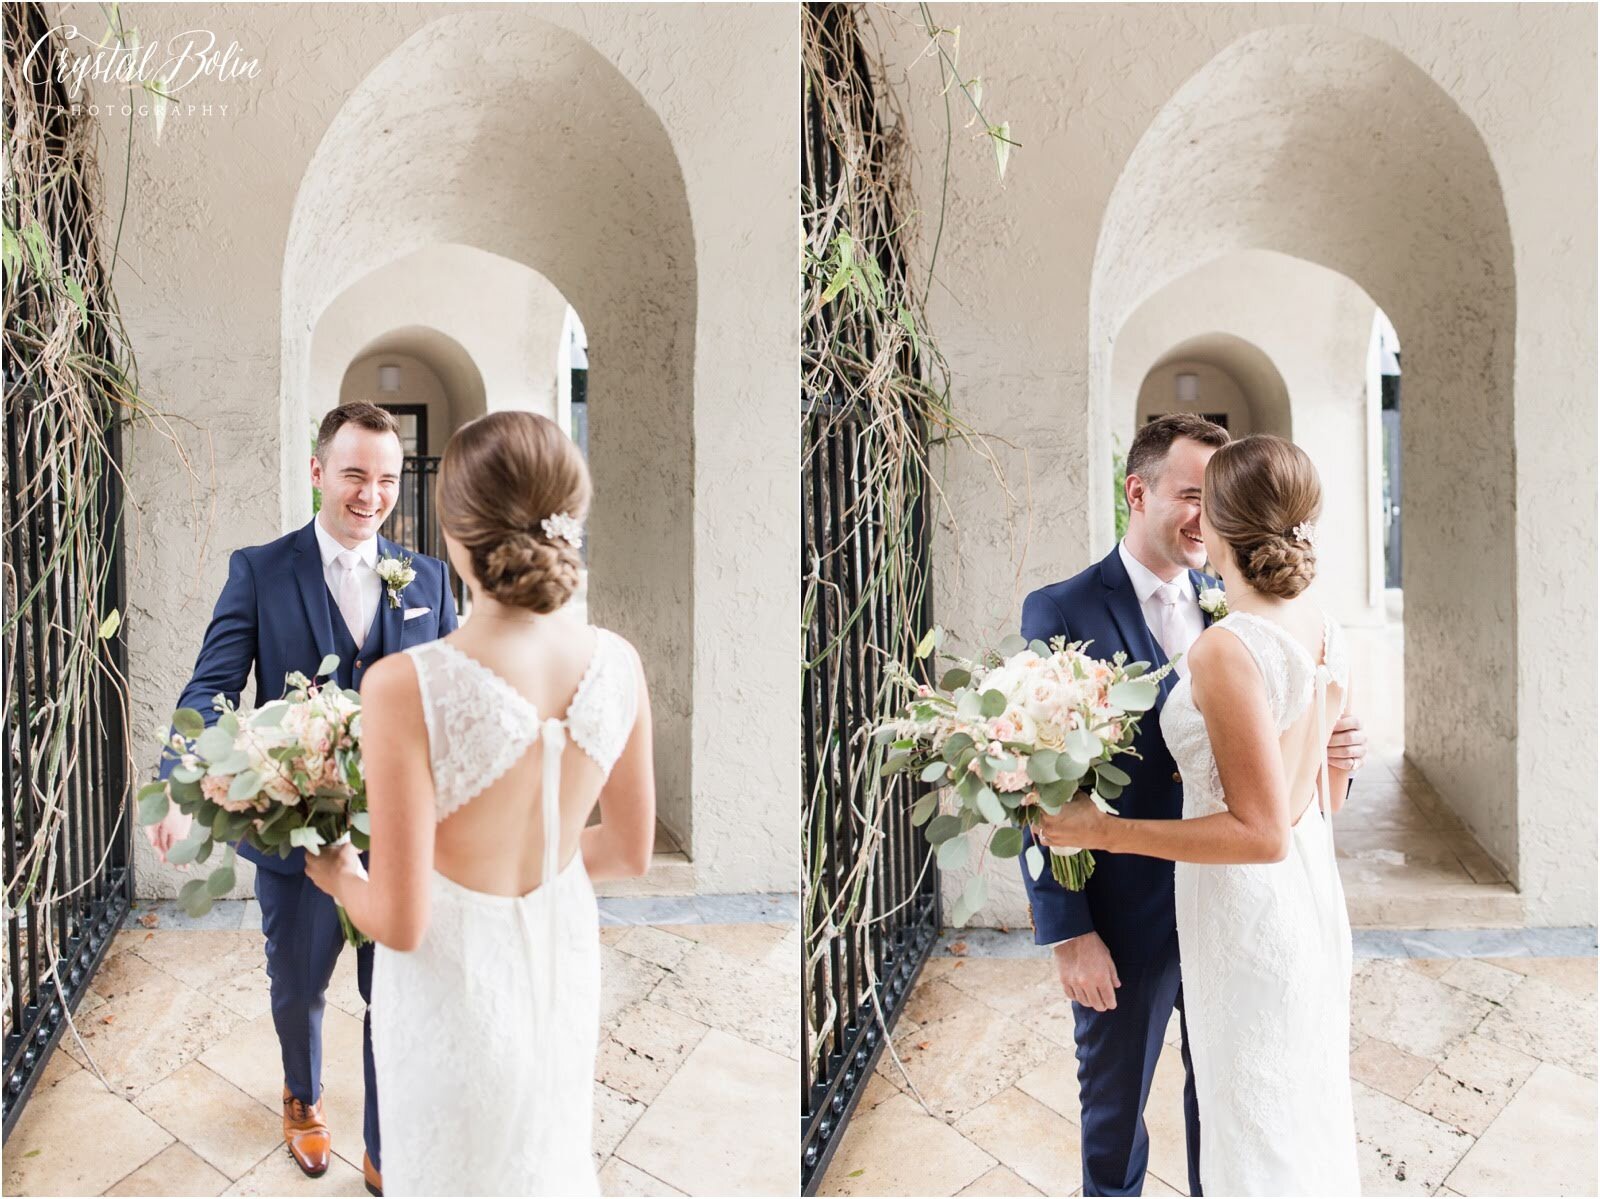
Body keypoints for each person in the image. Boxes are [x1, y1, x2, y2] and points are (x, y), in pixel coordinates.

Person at [304, 410, 656, 1196]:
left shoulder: (407, 683)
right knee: (546, 1153)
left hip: (451, 983)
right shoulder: (619, 663)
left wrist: (335, 871)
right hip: (561, 954)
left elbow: (400, 917)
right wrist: (538, 866)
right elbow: (630, 850)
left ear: (455, 531)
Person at [1017, 415, 1367, 1196]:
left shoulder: (1240, 615)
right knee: (1114, 1119)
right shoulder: (1061, 609)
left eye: (1209, 497)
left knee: (1239, 1115)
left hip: (1240, 912)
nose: (1196, 513)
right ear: (1137, 494)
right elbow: (1030, 774)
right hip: (1129, 917)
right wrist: (1069, 931)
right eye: (1187, 492)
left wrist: (1334, 750)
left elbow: (1293, 797)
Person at [147, 402, 458, 1193]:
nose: (371, 494)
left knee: (396, 991)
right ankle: (304, 1094)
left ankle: (387, 1139)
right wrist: (177, 781)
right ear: (317, 471)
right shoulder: (260, 569)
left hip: (401, 837)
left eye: (386, 478)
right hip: (298, 835)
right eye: (354, 473)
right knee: (297, 984)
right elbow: (211, 688)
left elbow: (454, 702)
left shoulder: (428, 579)